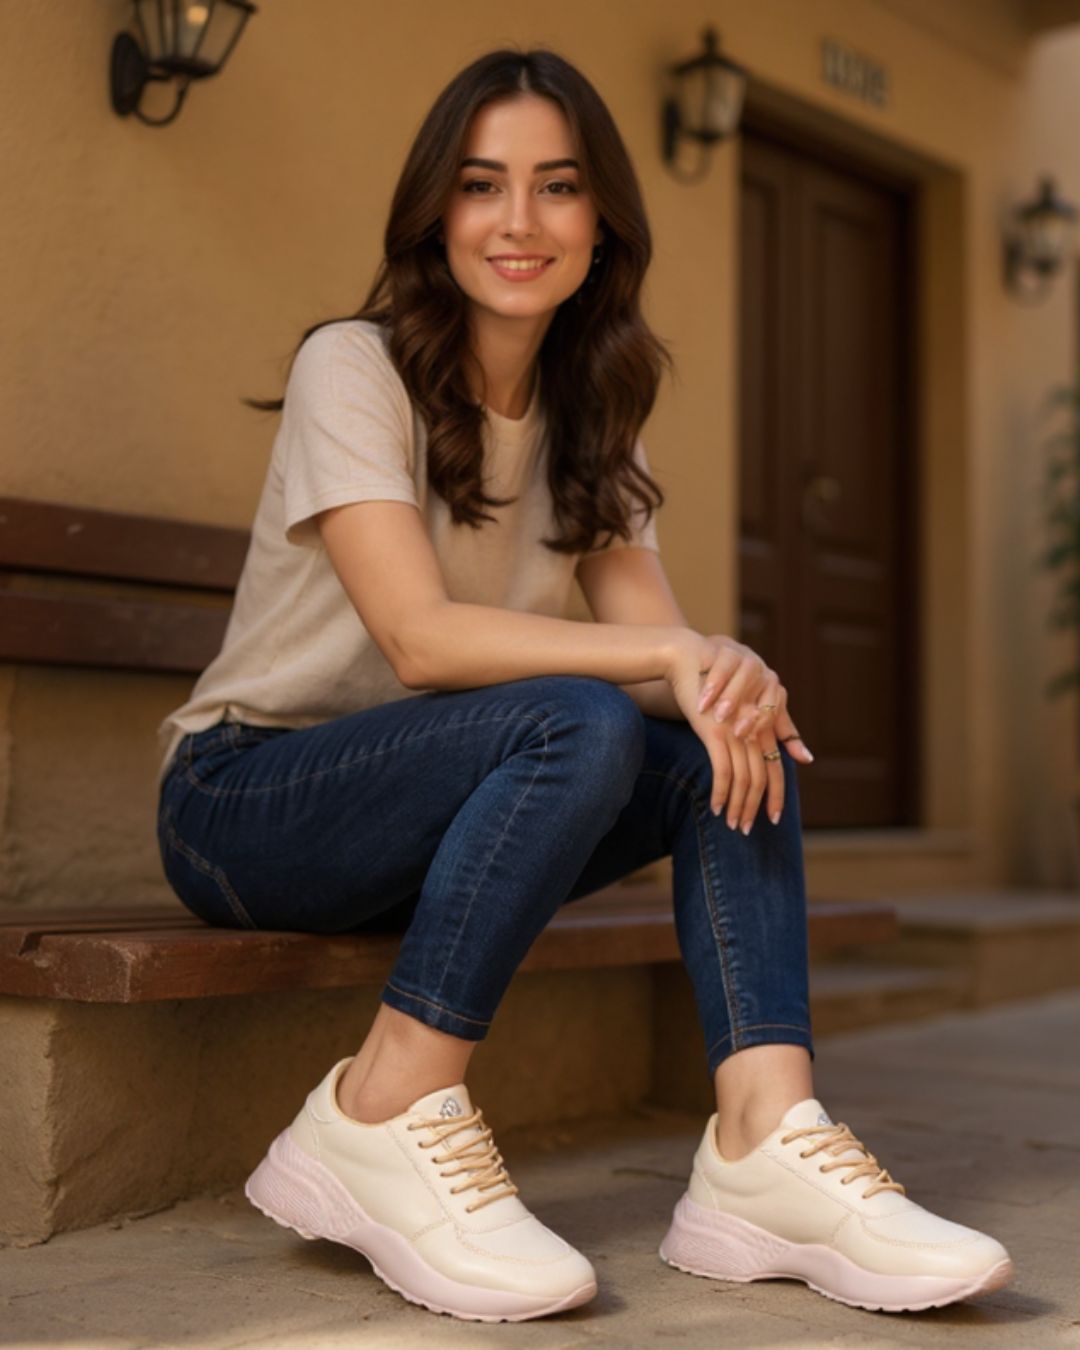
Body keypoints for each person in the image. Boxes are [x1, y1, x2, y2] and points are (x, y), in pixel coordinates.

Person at [155, 45, 1013, 1325]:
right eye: (481, 185)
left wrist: (726, 676)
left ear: (602, 221)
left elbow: (661, 662)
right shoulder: (358, 364)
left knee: (732, 736)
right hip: (249, 803)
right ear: (435, 212)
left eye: (557, 187)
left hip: (439, 812)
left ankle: (761, 1146)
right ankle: (381, 1107)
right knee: (588, 712)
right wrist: (670, 658)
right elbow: (423, 643)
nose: (517, 222)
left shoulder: (593, 410)